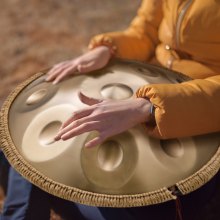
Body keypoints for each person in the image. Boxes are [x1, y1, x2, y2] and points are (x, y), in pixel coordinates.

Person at [1, 0, 220, 219]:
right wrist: (108, 49)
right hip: (150, 88)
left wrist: (151, 107)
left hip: (200, 116)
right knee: (36, 140)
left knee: (111, 190)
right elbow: (147, 31)